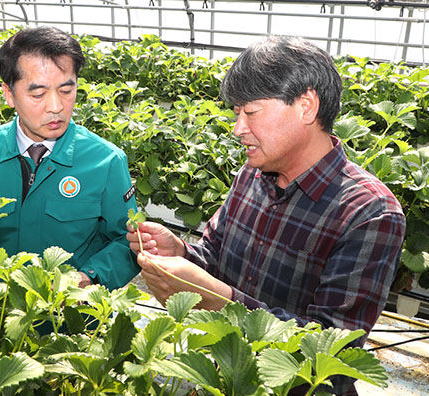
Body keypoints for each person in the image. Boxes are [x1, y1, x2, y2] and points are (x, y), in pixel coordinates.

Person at [127, 35, 406, 395]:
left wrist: (218, 300)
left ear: (306, 106)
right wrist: (179, 252)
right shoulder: (251, 175)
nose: (237, 128)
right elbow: (213, 255)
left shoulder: (369, 212)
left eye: (251, 112)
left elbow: (333, 356)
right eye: (236, 112)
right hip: (226, 377)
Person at [0, 26, 139, 290]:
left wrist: (90, 276)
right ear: (9, 94)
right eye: (38, 94)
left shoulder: (106, 161)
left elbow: (128, 242)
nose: (56, 106)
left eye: (67, 91)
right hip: (1, 311)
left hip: (72, 318)